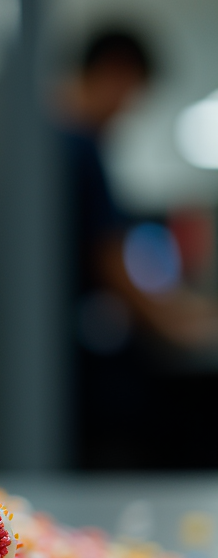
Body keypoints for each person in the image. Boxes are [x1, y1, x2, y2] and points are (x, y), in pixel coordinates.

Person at [57, 27, 218, 468]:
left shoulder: (54, 141)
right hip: (76, 365)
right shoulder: (78, 145)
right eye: (133, 94)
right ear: (115, 73)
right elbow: (109, 261)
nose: (129, 109)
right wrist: (173, 324)